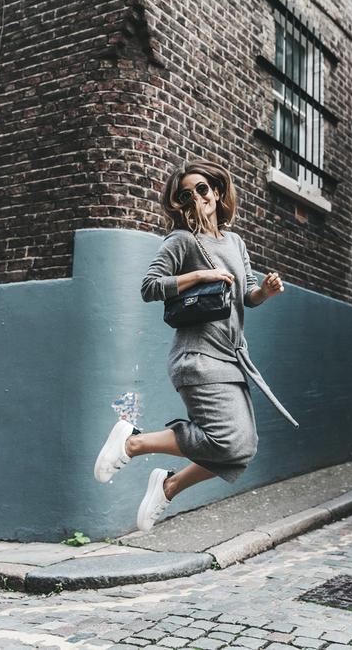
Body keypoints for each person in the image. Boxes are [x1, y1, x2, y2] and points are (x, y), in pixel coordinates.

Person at [93, 158, 298, 532]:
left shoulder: (235, 242)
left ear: (217, 193)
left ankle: (168, 486)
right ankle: (132, 443)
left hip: (231, 357)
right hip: (198, 356)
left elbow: (245, 296)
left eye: (201, 189)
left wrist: (264, 293)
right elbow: (149, 286)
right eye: (185, 194)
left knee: (242, 448)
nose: (195, 198)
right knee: (225, 441)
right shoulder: (181, 240)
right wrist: (200, 274)